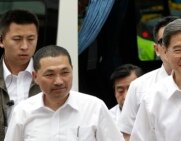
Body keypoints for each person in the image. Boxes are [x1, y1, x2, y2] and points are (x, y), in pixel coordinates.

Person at [4, 45, 124, 141]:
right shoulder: (23, 112)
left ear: (72, 70)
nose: (59, 81)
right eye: (50, 74)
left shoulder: (94, 107)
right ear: (35, 77)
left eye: (65, 72)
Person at [118, 16, 178, 141]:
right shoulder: (139, 87)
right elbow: (128, 133)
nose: (172, 47)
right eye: (165, 41)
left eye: (177, 41)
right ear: (157, 49)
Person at [0, 9, 41, 139]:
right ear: (1, 40)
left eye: (31, 39)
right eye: (17, 39)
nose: (24, 46)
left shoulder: (49, 78)